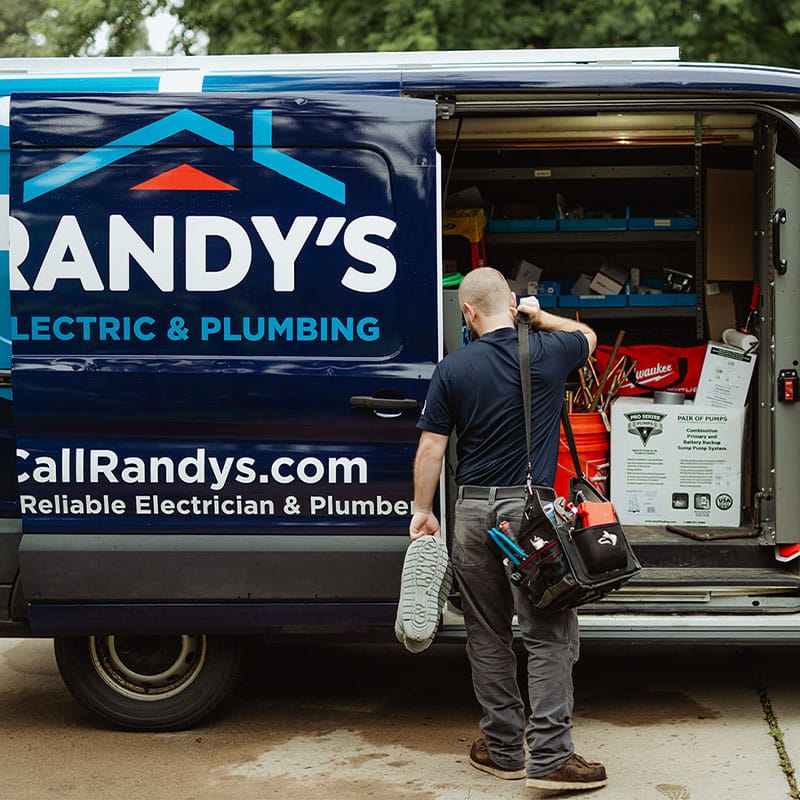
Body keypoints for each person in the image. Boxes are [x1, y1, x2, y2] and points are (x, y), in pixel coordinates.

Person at [409, 267, 606, 792]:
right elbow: (588, 336)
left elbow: (432, 447)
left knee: (487, 633)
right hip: (532, 516)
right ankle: (551, 758)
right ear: (512, 302)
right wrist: (540, 318)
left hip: (473, 513)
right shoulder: (548, 352)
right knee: (548, 634)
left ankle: (502, 748)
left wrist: (422, 511)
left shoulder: (452, 368)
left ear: (467, 312)